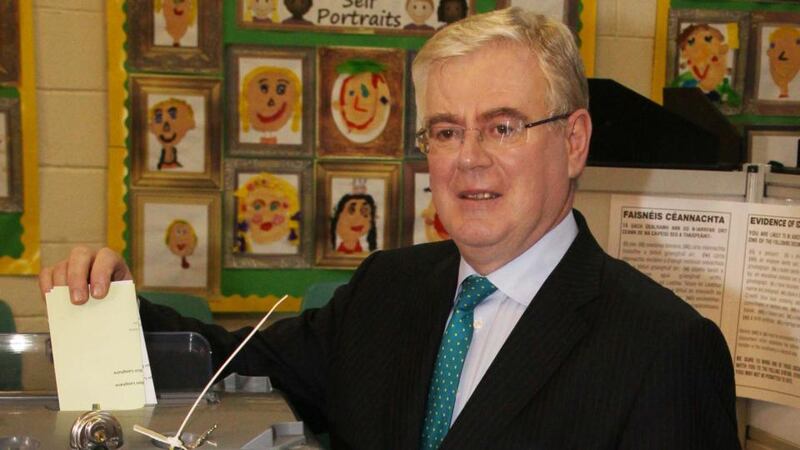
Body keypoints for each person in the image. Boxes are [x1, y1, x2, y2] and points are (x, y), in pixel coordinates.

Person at [41, 8, 740, 449]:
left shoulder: (665, 349)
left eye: (502, 127)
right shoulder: (387, 289)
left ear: (575, 140)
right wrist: (107, 305)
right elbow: (227, 365)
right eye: (446, 131)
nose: (469, 159)